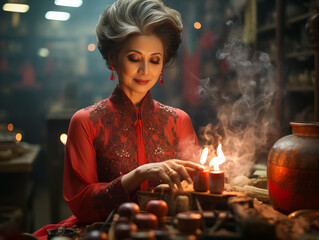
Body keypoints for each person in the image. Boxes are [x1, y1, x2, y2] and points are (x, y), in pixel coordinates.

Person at [33, 0, 203, 238]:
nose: (145, 70)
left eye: (155, 60)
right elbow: (81, 204)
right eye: (134, 57)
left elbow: (196, 189)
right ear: (113, 58)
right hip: (105, 232)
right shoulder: (85, 122)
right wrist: (139, 174)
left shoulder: (179, 120)